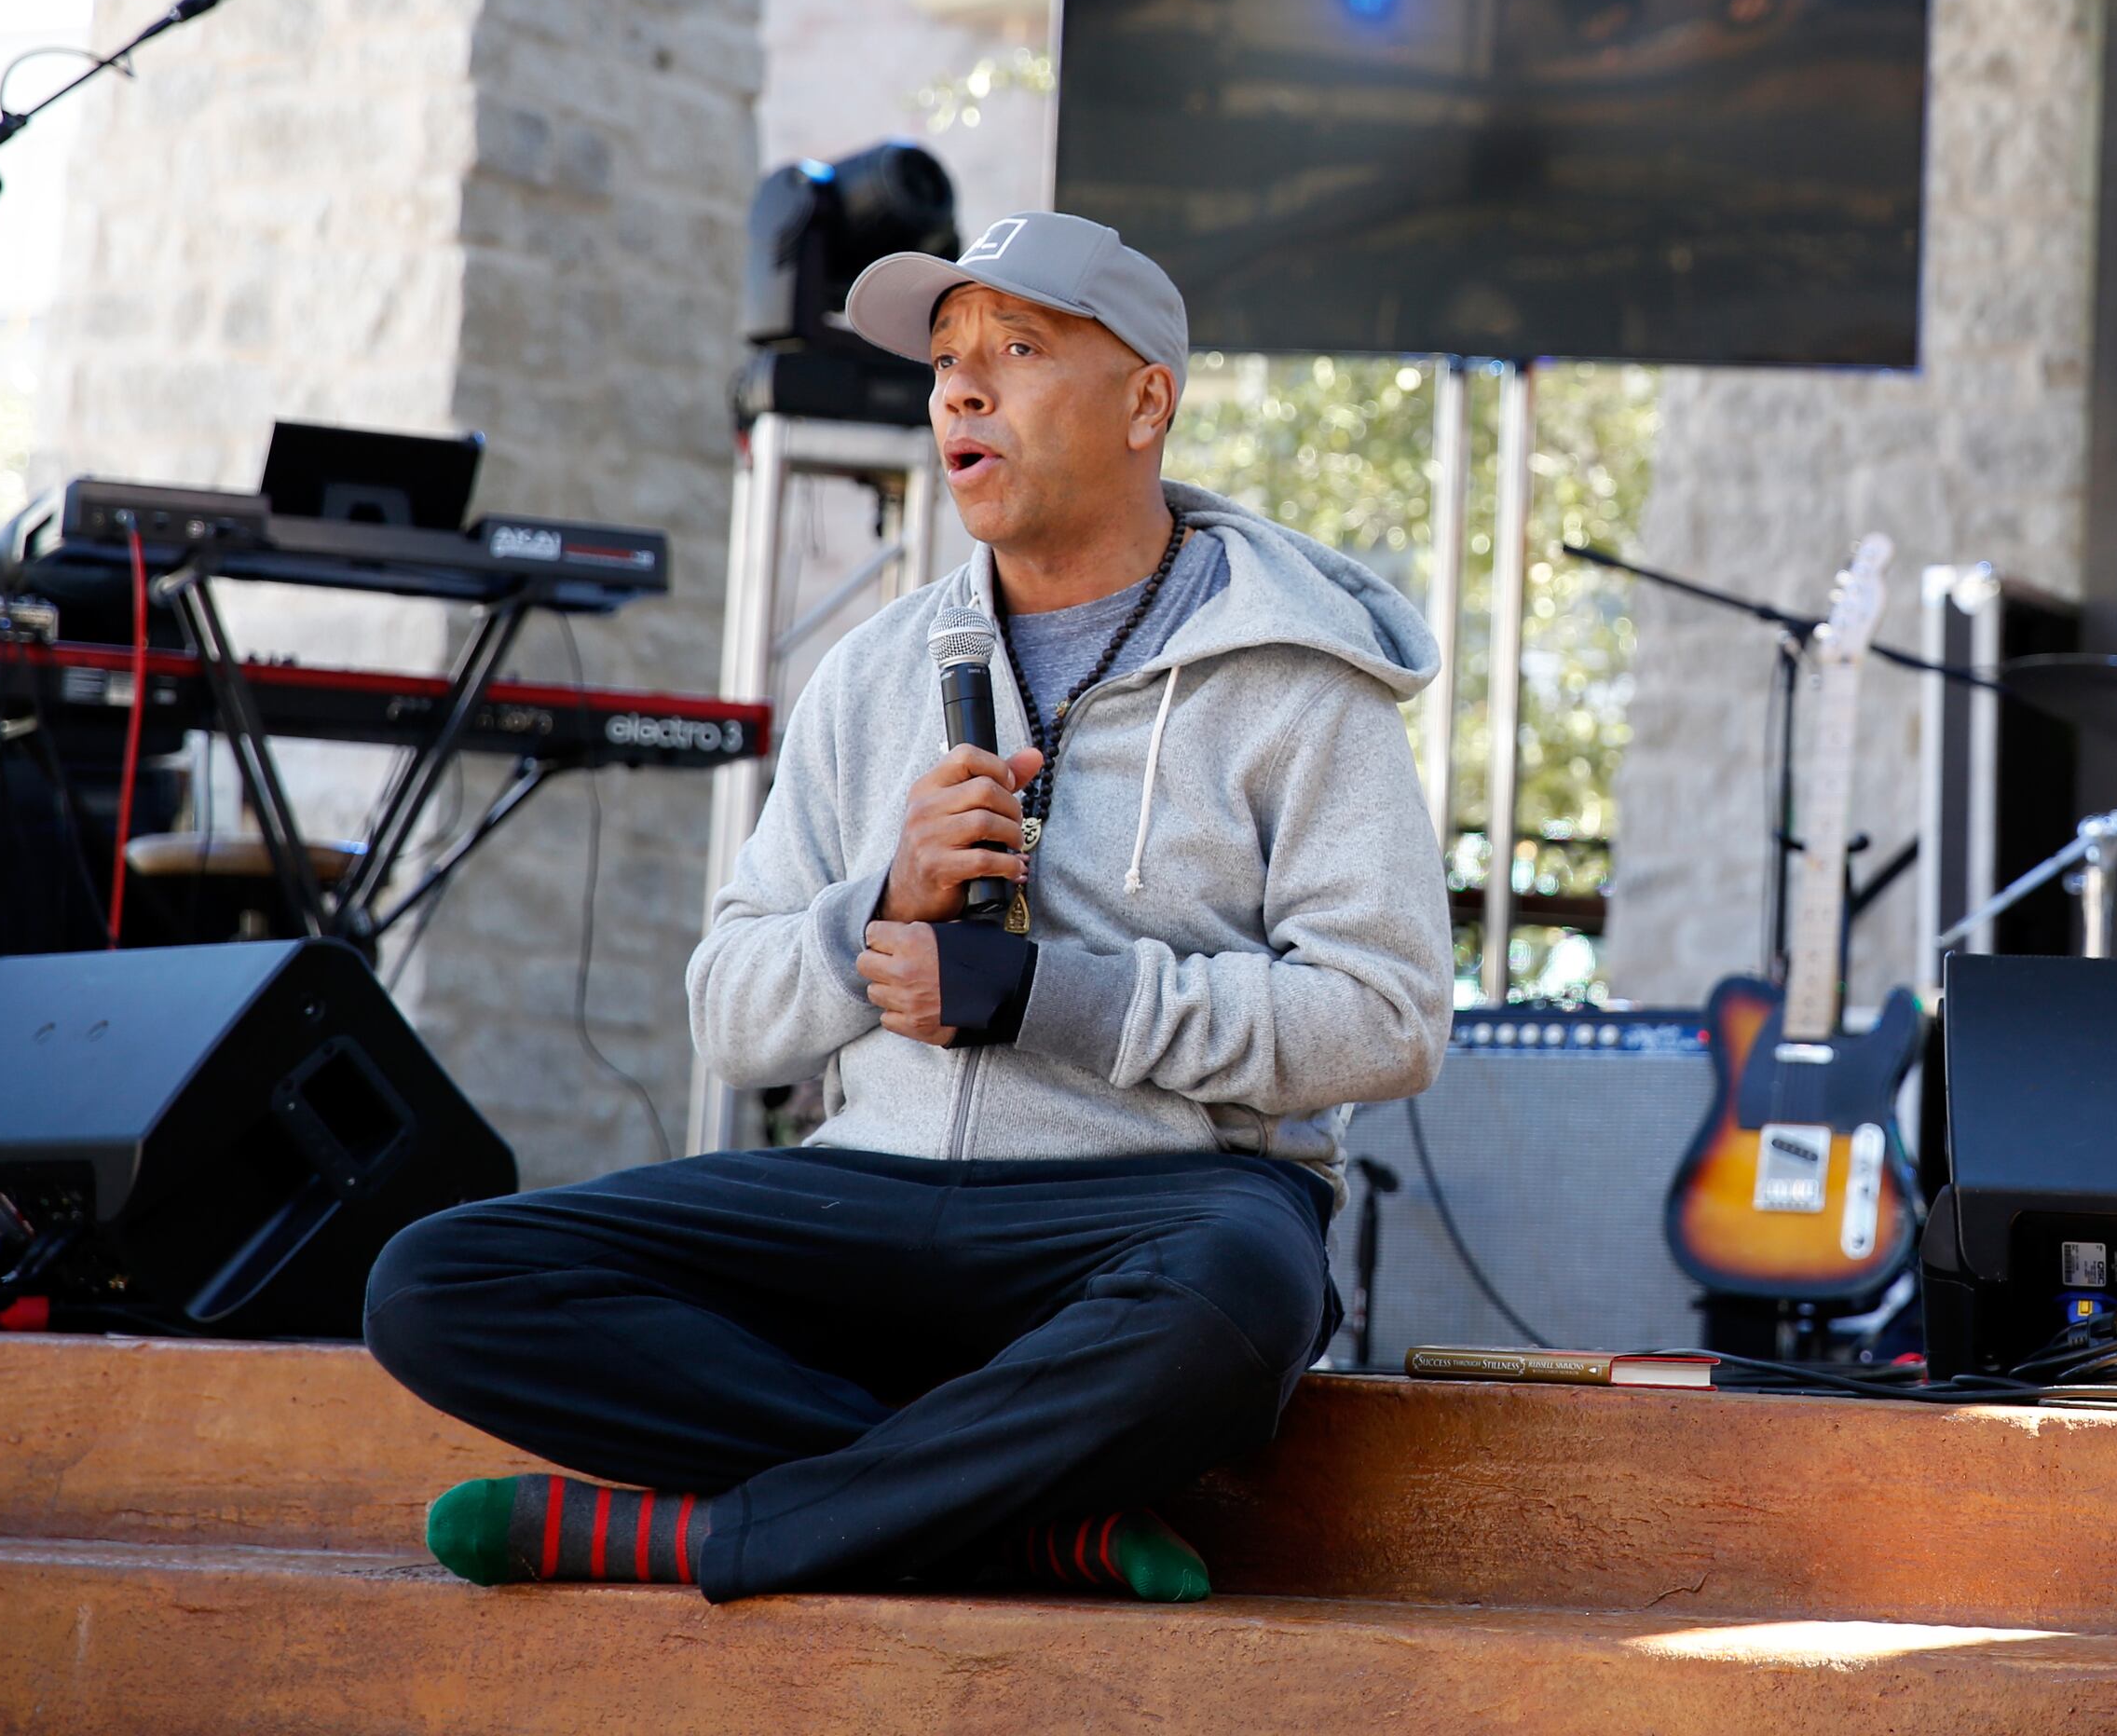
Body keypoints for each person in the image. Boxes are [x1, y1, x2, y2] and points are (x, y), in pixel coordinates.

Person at [362, 212, 1451, 1601]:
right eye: (945, 360)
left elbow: (1387, 1017)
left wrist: (1047, 998)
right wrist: (877, 902)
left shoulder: (1299, 679)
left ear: (1146, 403)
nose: (961, 392)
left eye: (1019, 349)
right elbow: (730, 1014)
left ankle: (706, 1535)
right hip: (869, 1194)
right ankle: (1010, 1521)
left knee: (1237, 1301)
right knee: (437, 1280)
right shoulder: (871, 671)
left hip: (1145, 1211)